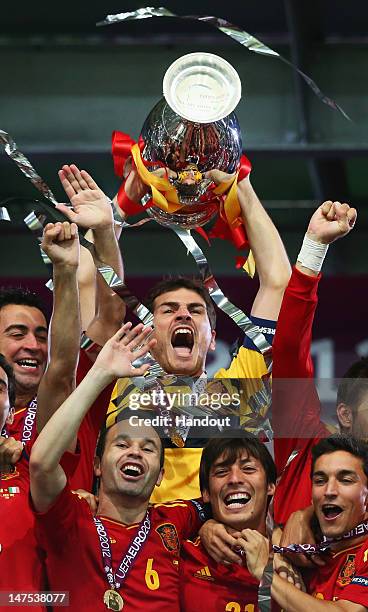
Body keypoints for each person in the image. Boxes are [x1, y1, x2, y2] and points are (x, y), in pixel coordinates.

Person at [105, 171, 292, 502]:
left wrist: (242, 182)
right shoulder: (117, 379)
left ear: (211, 336)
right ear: (148, 332)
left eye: (195, 310)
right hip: (131, 547)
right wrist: (120, 207)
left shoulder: (240, 387)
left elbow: (278, 281)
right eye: (168, 310)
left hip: (217, 548)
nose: (182, 315)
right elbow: (103, 299)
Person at [30, 323, 207, 612]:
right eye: (122, 445)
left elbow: (226, 502)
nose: (135, 452)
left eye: (148, 448)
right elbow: (41, 462)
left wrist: (211, 526)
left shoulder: (174, 519)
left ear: (160, 475)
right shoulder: (71, 519)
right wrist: (99, 376)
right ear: (97, 466)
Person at [253, 435, 368, 610]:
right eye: (320, 481)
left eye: (345, 480)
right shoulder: (303, 545)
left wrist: (264, 571)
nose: (329, 491)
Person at [180, 435, 284, 612]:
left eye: (249, 469)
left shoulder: (299, 554)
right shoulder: (180, 556)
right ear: (205, 493)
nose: (234, 479)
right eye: (221, 472)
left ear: (270, 486)